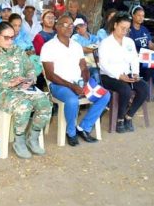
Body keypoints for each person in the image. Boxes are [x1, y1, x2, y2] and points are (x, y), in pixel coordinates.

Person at [0, 22, 51, 159]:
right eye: (6, 37)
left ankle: (32, 137)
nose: (10, 41)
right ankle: (19, 140)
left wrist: (29, 78)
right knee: (24, 105)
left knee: (45, 102)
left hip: (22, 87)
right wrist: (7, 83)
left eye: (12, 37)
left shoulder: (18, 50)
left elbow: (30, 68)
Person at [41, 15, 110, 145]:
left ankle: (84, 127)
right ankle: (71, 131)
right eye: (65, 24)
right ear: (57, 26)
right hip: (58, 84)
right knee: (72, 100)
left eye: (71, 25)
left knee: (105, 95)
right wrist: (72, 86)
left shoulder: (76, 45)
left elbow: (84, 68)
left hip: (78, 82)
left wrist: (85, 82)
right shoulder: (48, 46)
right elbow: (50, 75)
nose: (69, 28)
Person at [98, 13, 149, 133]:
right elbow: (104, 65)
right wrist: (119, 76)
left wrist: (135, 73)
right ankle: (119, 119)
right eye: (122, 28)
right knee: (125, 90)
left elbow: (134, 59)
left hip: (127, 73)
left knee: (144, 88)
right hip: (109, 75)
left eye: (127, 29)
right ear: (115, 25)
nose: (125, 31)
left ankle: (129, 116)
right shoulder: (106, 43)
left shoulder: (129, 42)